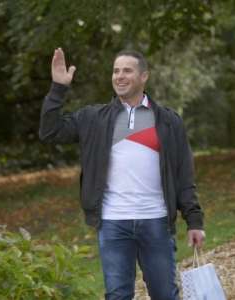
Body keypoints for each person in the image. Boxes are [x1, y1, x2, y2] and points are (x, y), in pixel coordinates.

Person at [39, 48, 205, 300]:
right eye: (116, 71)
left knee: (165, 295)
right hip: (113, 223)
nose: (120, 76)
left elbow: (183, 175)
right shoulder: (94, 118)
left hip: (156, 222)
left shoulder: (168, 121)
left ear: (144, 76)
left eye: (127, 70)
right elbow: (49, 132)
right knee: (117, 296)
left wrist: (194, 220)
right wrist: (58, 89)